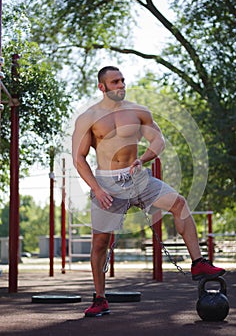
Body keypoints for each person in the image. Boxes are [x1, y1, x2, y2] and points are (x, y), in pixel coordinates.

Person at [72, 66, 225, 317]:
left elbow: (159, 140)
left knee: (179, 203)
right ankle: (100, 298)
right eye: (114, 82)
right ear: (102, 87)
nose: (121, 85)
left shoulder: (138, 112)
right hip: (107, 184)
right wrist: (97, 189)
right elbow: (79, 158)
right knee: (100, 242)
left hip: (138, 178)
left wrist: (143, 159)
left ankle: (198, 264)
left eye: (122, 80)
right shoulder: (88, 118)